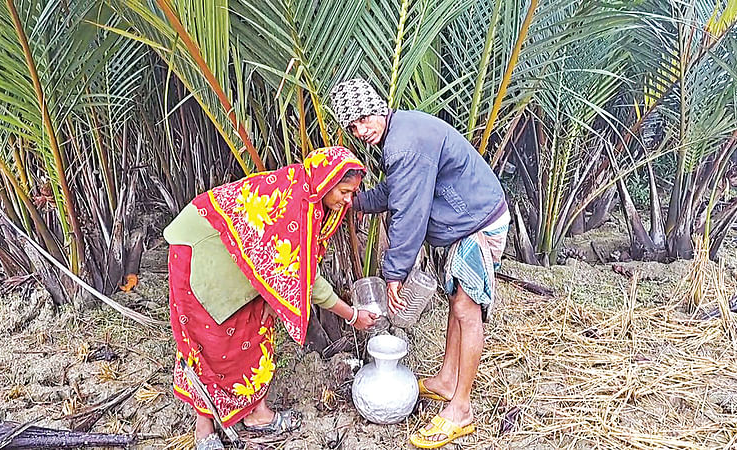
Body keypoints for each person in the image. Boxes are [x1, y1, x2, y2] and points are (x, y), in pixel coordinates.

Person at [330, 79, 510, 449]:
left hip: (477, 222)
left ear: (379, 108)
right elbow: (395, 190)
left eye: (365, 118)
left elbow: (409, 212)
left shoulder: (405, 143)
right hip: (466, 222)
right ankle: (447, 381)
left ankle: (460, 410)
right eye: (353, 126)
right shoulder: (399, 135)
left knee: (466, 309)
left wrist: (394, 272)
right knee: (458, 305)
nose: (362, 130)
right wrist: (358, 202)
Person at [164, 146, 377, 450]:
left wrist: (270, 293)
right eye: (344, 191)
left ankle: (256, 415)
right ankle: (205, 427)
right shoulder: (295, 205)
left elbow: (285, 266)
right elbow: (306, 279)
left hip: (240, 260)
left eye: (352, 193)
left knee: (256, 331)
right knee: (209, 342)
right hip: (201, 250)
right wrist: (352, 316)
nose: (348, 200)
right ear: (325, 181)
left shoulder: (310, 196)